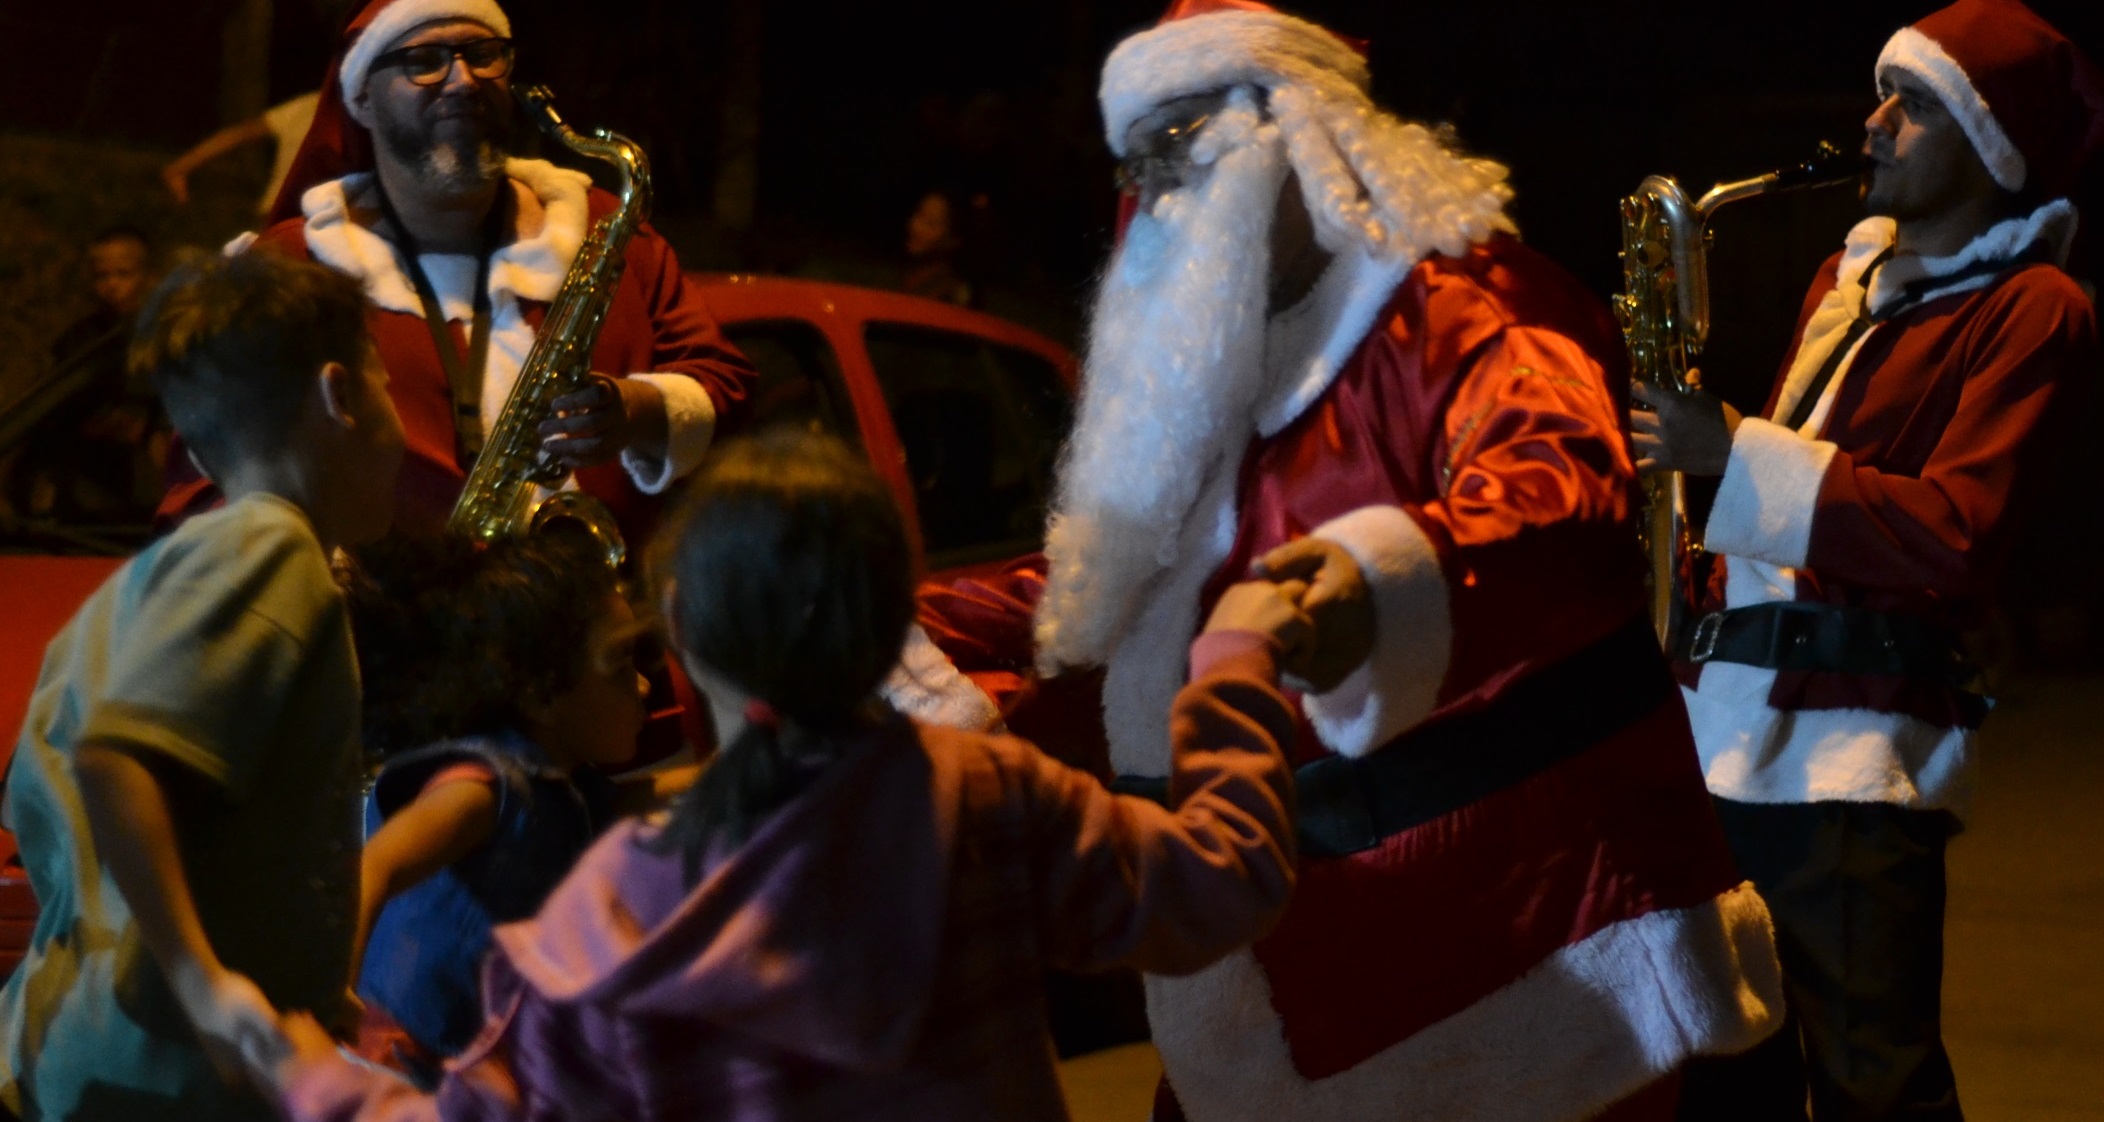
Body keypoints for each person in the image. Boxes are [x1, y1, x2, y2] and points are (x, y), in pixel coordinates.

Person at [885, 2, 1788, 1119]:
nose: (1149, 193)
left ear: (1295, 129)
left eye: (1176, 146)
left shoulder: (1466, 307)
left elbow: (1558, 493)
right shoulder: (1225, 361)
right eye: (1131, 163)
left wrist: (1366, 583)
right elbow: (1125, 597)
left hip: (1521, 966)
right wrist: (879, 628)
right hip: (1276, 968)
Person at [266, 430, 1303, 1121]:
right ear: (894, 621)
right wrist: (1234, 660)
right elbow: (1225, 879)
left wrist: (312, 1074)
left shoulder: (614, 920)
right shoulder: (987, 797)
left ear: (680, 628)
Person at [1628, 2, 2103, 1117]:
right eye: (1883, 95)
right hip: (1728, 733)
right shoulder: (1844, 284)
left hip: (1853, 754)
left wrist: (1733, 452)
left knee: (1871, 1086)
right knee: (1723, 1077)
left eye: (1916, 104)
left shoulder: (2035, 307)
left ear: (1991, 145)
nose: (1874, 123)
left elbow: (1954, 534)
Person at [0, 249, 405, 1121]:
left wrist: (304, 977)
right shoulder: (273, 547)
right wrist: (204, 984)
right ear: (340, 394)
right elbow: (116, 756)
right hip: (168, 1078)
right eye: (388, 384)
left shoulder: (155, 576)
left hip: (97, 1053)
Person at [158, 0, 757, 544]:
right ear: (361, 99)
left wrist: (637, 409)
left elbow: (727, 388)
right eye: (424, 62)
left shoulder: (609, 231)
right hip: (380, 623)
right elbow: (203, 484)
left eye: (483, 54)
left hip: (595, 616)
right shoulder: (291, 268)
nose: (464, 81)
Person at [341, 530, 667, 1081]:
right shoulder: (483, 787)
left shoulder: (565, 783)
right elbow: (377, 865)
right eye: (617, 666)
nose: (642, 685)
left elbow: (640, 800)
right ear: (541, 694)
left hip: (460, 1071)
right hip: (392, 1064)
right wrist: (333, 1003)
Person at [4, 226, 165, 524]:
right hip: (89, 494)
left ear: (150, 276)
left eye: (124, 274)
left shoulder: (173, 341)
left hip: (153, 497)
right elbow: (51, 418)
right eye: (101, 276)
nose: (112, 285)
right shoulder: (80, 343)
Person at [162, 91, 323, 217]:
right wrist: (180, 168)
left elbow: (237, 135)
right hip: (295, 221)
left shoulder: (311, 105)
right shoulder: (310, 106)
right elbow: (237, 135)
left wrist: (180, 167)